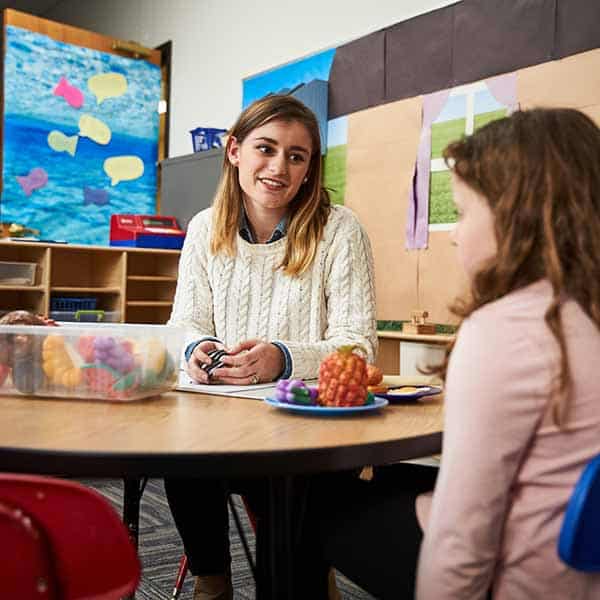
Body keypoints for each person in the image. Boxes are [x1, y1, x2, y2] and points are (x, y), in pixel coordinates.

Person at [301, 108, 600, 599]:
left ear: (516, 216)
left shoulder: (504, 331)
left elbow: (464, 534)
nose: (457, 233)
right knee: (391, 480)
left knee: (310, 502)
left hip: (527, 581)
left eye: (462, 213)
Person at [165, 94, 378, 599]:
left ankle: (299, 579)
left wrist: (281, 359)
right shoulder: (202, 228)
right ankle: (211, 581)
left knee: (289, 564)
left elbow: (359, 348)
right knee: (179, 449)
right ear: (235, 151)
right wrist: (196, 347)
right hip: (222, 423)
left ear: (310, 168)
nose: (279, 167)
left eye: (297, 156)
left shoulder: (340, 230)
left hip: (304, 431)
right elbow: (185, 323)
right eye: (266, 148)